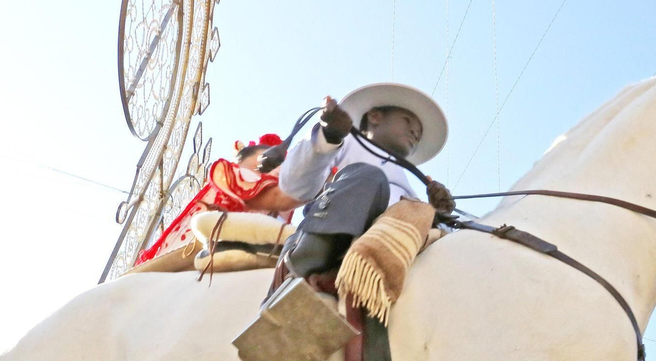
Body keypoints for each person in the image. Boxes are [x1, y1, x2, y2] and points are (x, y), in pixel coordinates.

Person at [267, 83, 450, 292]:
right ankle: (303, 271)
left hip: (382, 249)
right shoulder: (344, 142)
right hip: (327, 242)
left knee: (418, 214)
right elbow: (295, 185)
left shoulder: (408, 186)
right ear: (375, 117)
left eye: (418, 132)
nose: (414, 133)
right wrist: (330, 137)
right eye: (408, 121)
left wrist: (436, 213)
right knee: (369, 176)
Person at [136, 134, 296, 266]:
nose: (277, 170)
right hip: (191, 254)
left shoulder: (272, 197)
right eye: (269, 162)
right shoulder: (236, 176)